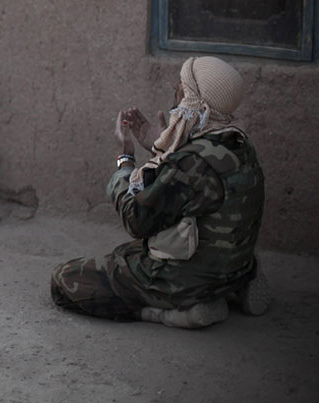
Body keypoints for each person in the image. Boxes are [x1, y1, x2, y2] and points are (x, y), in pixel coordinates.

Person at [50, 56, 271, 328]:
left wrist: (125, 160)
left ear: (198, 104)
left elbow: (136, 219)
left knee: (64, 280)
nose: (176, 89)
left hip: (184, 280)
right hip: (235, 267)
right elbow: (188, 190)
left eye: (183, 87)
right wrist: (163, 148)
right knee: (127, 253)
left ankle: (171, 312)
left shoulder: (191, 163)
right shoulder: (238, 142)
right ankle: (239, 285)